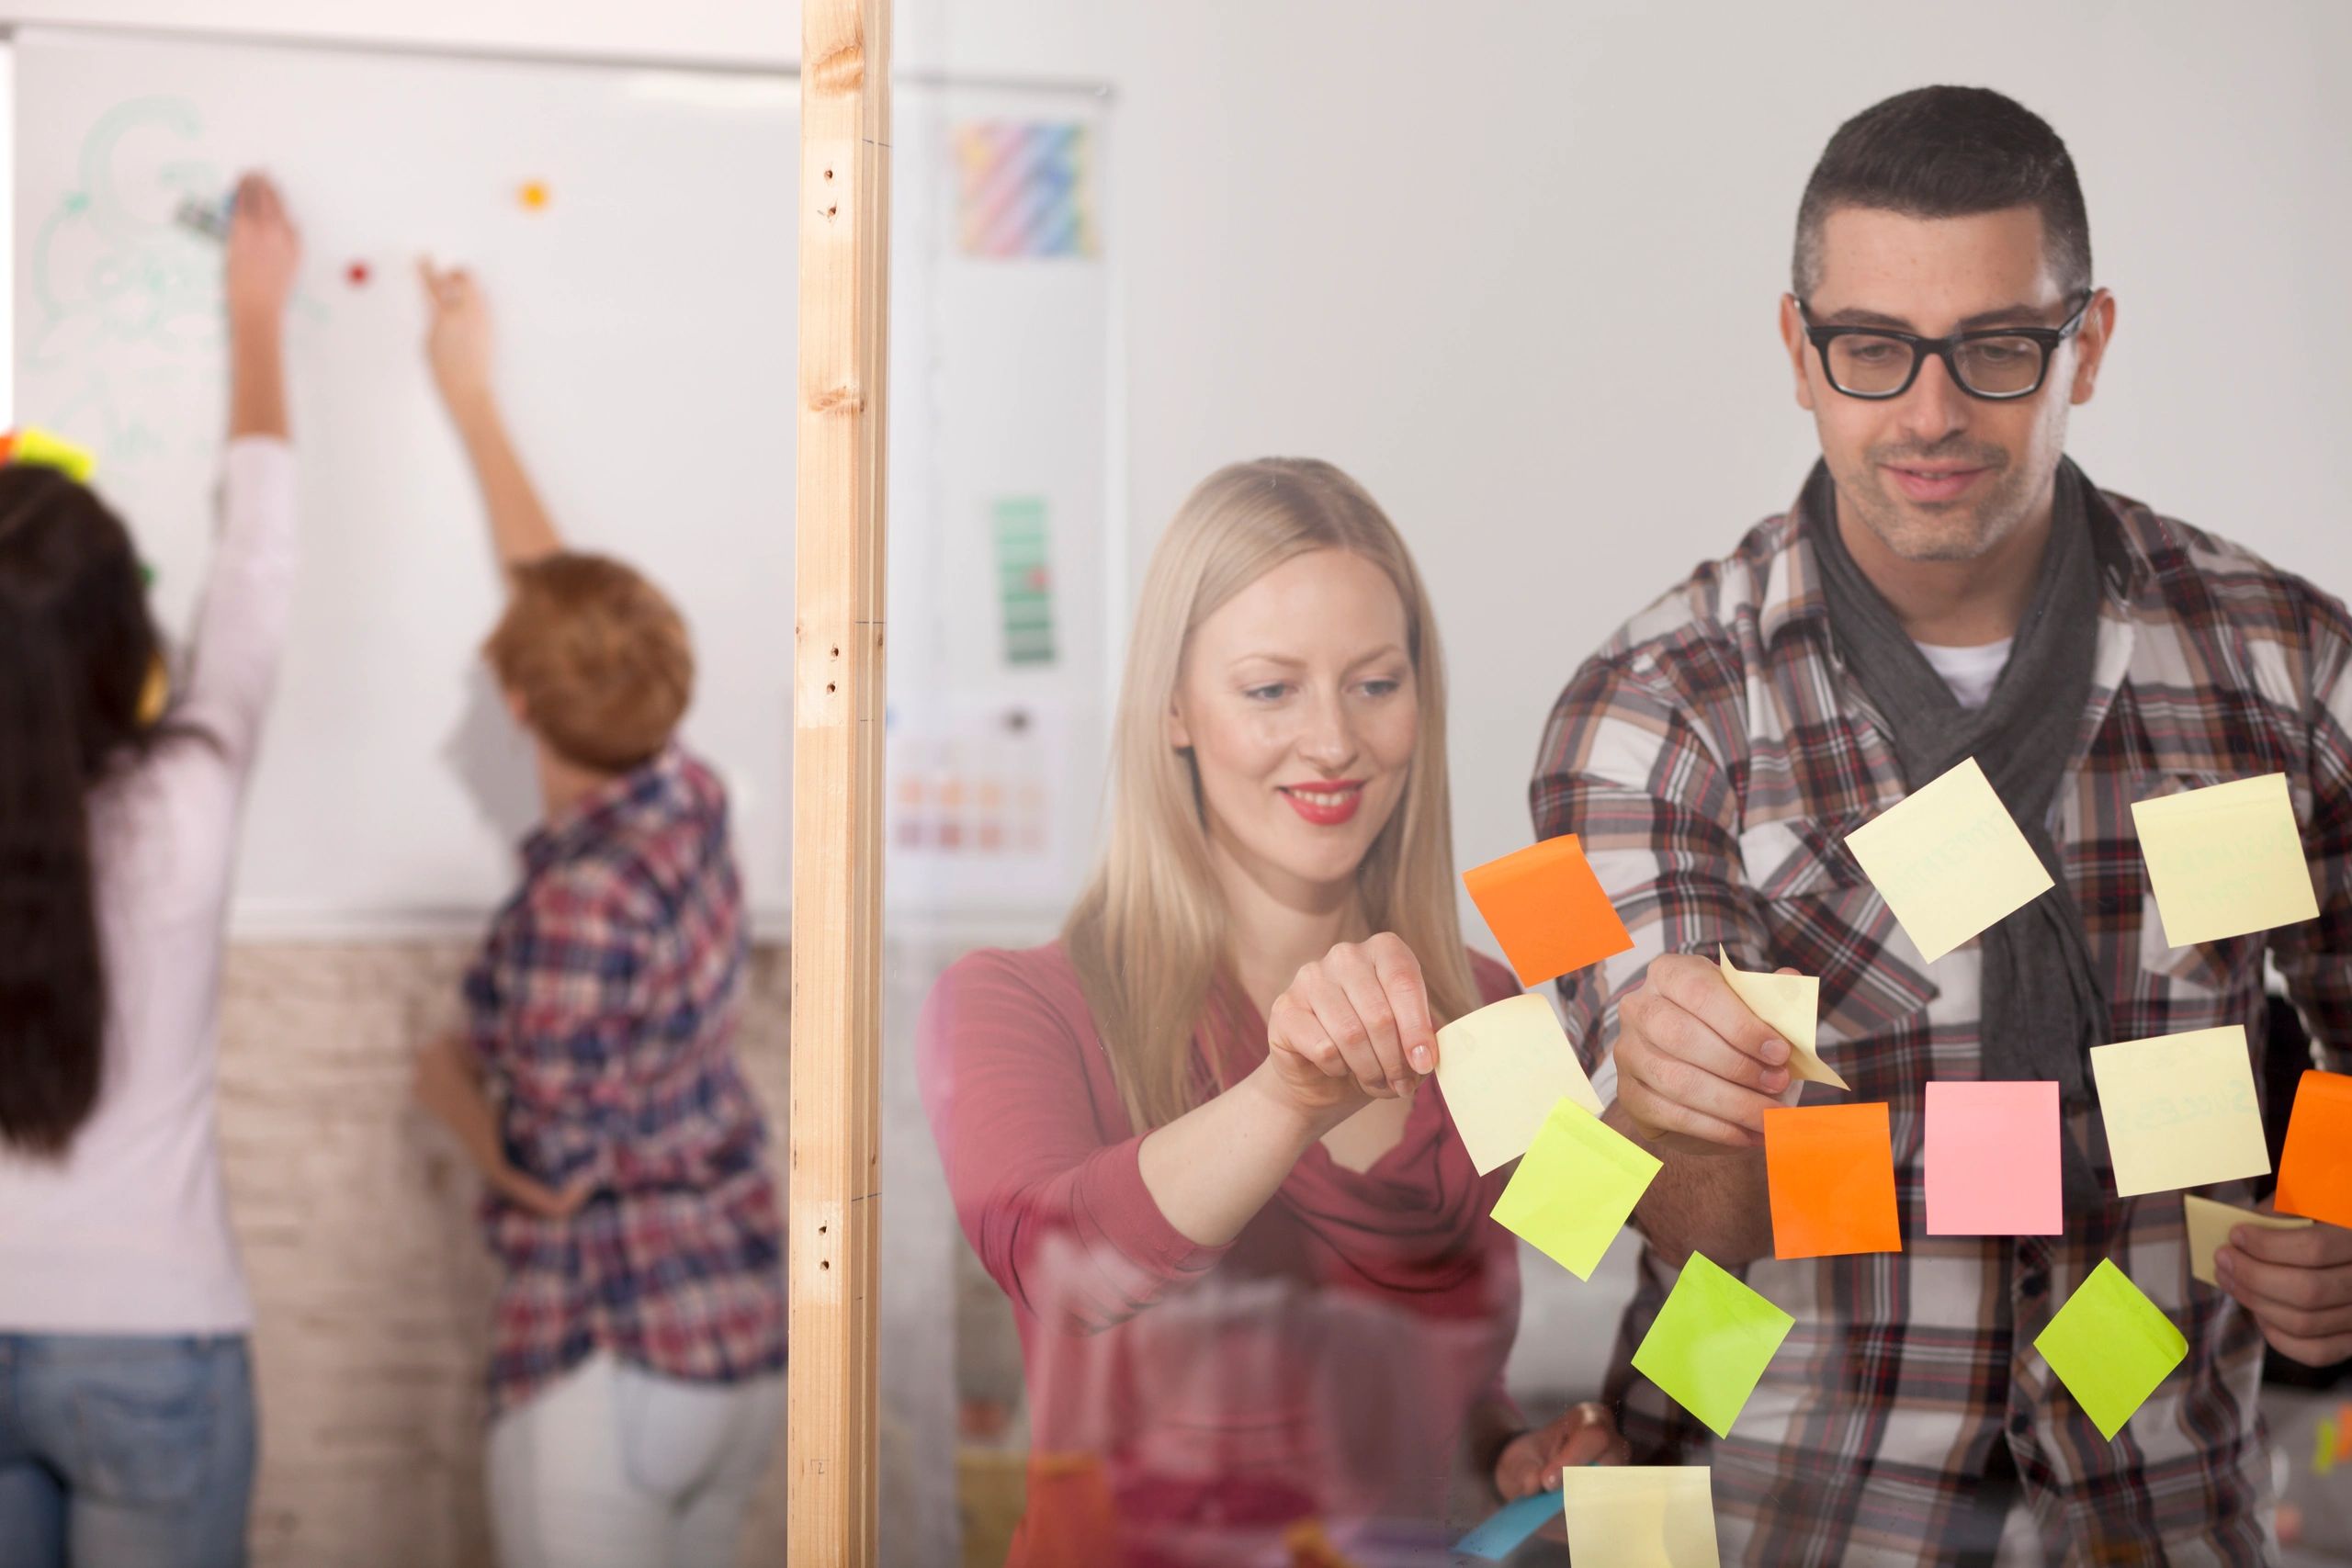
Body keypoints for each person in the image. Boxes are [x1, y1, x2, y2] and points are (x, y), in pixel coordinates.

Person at [1532, 85, 2352, 1564]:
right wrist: (1659, 1092)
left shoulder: (2286, 665)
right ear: (1798, 351)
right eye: (1871, 349)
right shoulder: (1655, 706)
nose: (1928, 411)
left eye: (1994, 348)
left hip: (2165, 1505)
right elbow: (1696, 1228)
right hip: (1780, 1499)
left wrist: (2336, 1215)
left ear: (2084, 346)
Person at [921, 458, 1626, 1568]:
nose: (1335, 741)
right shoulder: (1013, 1003)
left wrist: (1507, 1454)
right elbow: (1060, 1267)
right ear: (1173, 712)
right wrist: (1287, 1094)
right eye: (1269, 690)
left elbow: (1450, 1376)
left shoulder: (1492, 1011)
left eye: (1375, 684)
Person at [405, 262, 786, 1568]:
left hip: (615, 1353)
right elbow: (565, 611)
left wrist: (445, 1081)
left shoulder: (578, 899)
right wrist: (472, 398)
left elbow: (548, 1166)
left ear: (519, 706)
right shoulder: (690, 794)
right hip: (733, 1340)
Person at [0, 172, 300, 1568]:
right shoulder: (185, 799)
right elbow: (256, 571)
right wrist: (257, 315)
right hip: (154, 1337)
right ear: (129, 635)